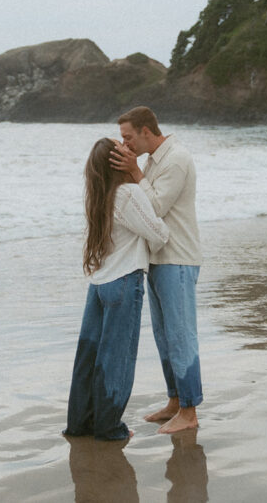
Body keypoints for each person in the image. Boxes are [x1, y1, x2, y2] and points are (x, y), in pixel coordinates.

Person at [65, 137, 170, 441]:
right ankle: (109, 427)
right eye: (120, 146)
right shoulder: (128, 193)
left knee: (88, 357)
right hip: (124, 281)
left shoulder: (98, 195)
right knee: (117, 357)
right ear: (116, 160)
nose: (127, 147)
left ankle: (79, 424)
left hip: (99, 284)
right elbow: (158, 234)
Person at [111, 106, 203, 434]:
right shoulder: (152, 160)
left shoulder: (176, 158)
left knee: (181, 335)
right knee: (164, 336)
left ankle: (190, 411)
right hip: (158, 258)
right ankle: (176, 402)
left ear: (146, 131)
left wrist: (135, 172)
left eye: (128, 137)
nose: (125, 143)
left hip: (178, 258)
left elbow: (154, 207)